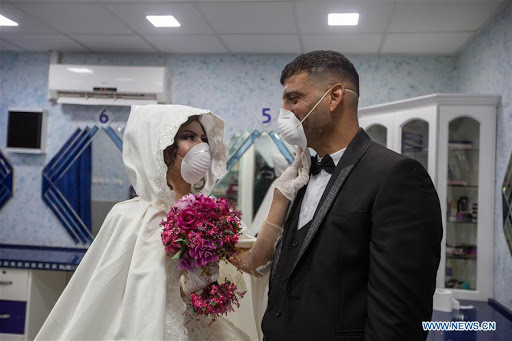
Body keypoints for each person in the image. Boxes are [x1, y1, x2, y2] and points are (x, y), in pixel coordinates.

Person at [254, 50, 443, 340]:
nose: (284, 113)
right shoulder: (302, 173)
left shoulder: (398, 176)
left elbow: (399, 318)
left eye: (294, 99)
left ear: (334, 97)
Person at [35, 105, 251, 340]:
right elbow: (115, 295)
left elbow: (253, 263)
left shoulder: (212, 214)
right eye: (189, 137)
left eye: (204, 138)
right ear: (163, 147)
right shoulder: (129, 216)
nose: (202, 146)